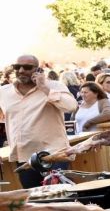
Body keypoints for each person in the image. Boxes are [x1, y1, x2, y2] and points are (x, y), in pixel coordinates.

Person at [0, 55, 77, 188]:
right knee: (34, 199)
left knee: (60, 197)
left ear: (38, 70)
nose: (21, 70)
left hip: (54, 155)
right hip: (24, 158)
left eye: (27, 67)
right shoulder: (4, 92)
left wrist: (44, 88)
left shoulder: (54, 86)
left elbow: (71, 107)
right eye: (17, 67)